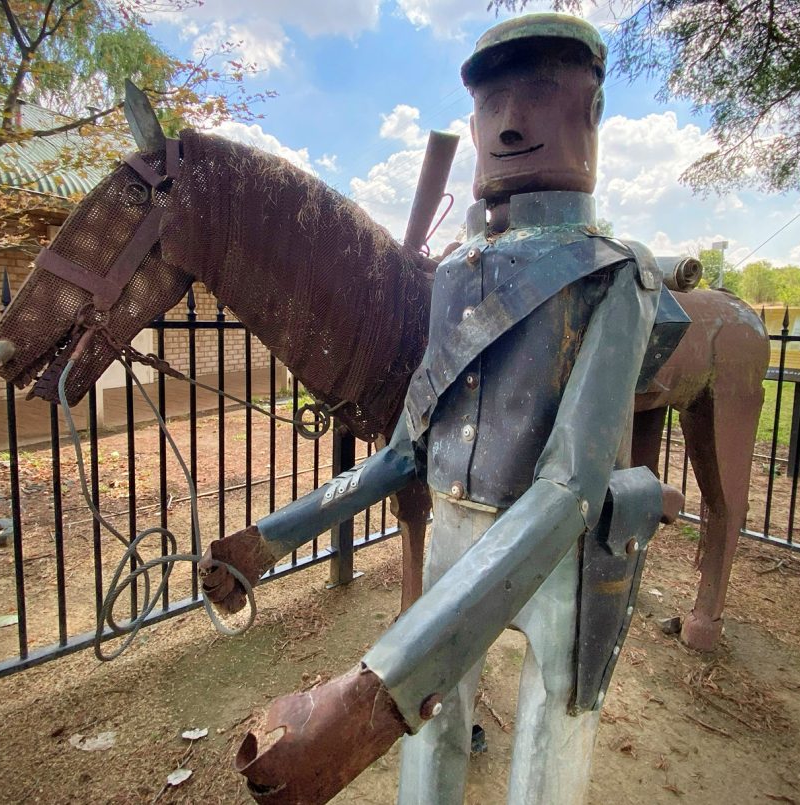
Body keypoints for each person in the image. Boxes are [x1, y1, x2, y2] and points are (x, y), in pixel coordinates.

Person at [201, 13, 686, 804]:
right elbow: (404, 452)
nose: (511, 120)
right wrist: (265, 542)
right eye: (492, 101)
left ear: (588, 112)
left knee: (546, 747)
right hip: (458, 531)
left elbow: (568, 488)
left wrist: (368, 691)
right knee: (431, 732)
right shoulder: (459, 272)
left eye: (534, 92)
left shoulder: (614, 275)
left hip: (558, 554)